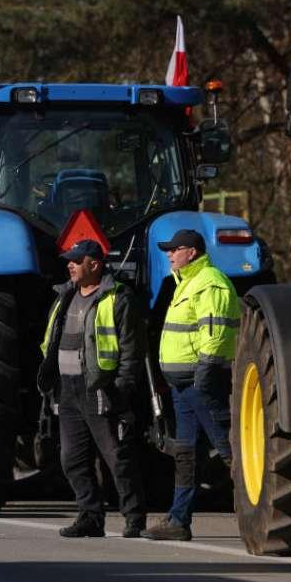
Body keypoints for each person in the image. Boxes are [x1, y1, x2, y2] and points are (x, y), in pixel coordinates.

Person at [38, 238, 148, 538]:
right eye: (69, 260)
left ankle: (134, 518)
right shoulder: (65, 296)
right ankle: (90, 517)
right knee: (72, 460)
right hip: (67, 390)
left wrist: (121, 389)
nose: (70, 265)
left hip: (101, 388)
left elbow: (132, 350)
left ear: (94, 264)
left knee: (117, 457)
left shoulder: (118, 298)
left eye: (76, 260)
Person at [143, 229, 240, 541]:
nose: (169, 254)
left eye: (175, 249)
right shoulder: (184, 283)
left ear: (192, 252)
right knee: (186, 454)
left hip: (200, 383)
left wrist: (205, 372)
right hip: (182, 385)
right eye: (168, 250)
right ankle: (178, 520)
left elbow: (215, 332)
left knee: (229, 448)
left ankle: (269, 508)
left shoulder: (210, 283)